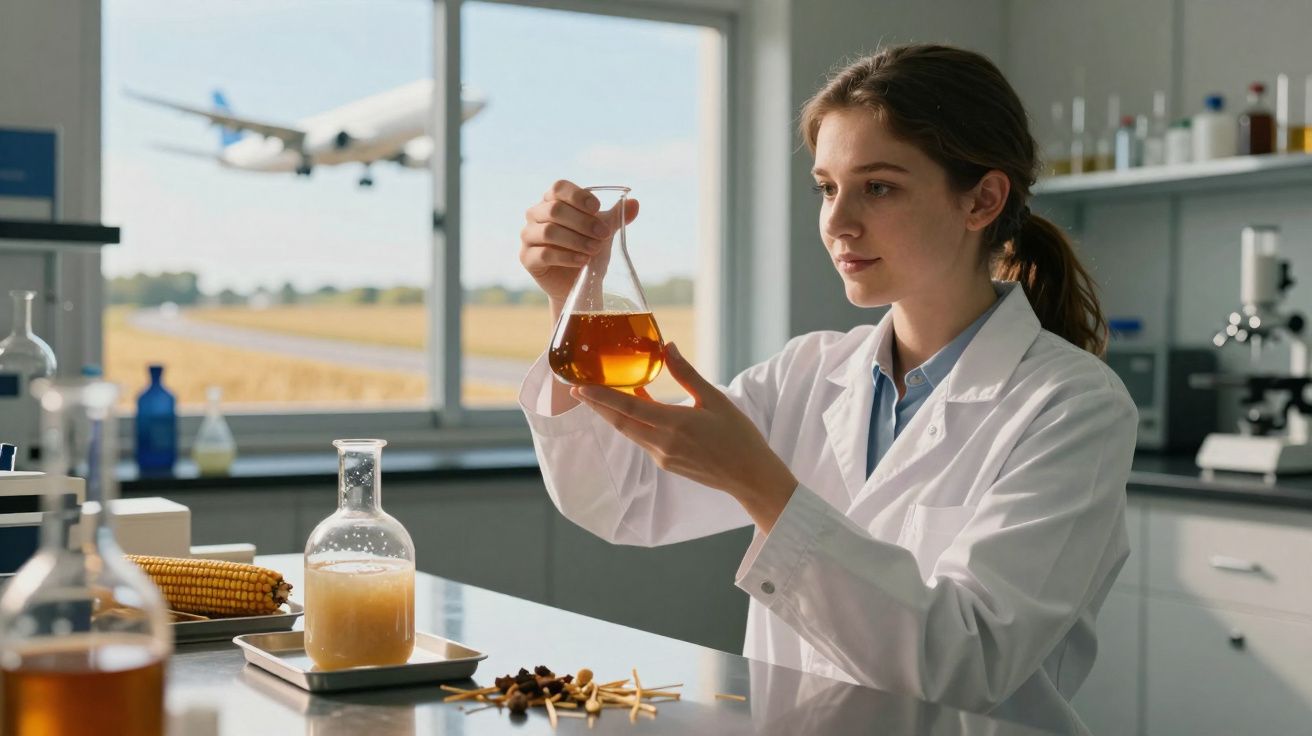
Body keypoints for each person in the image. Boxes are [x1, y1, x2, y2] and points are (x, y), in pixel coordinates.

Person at [517, 43, 1136, 734]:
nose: (838, 221)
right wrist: (577, 295)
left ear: (982, 200)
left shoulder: (1072, 406)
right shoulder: (807, 375)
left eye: (878, 186)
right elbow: (622, 502)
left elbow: (965, 664)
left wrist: (761, 485)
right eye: (826, 186)